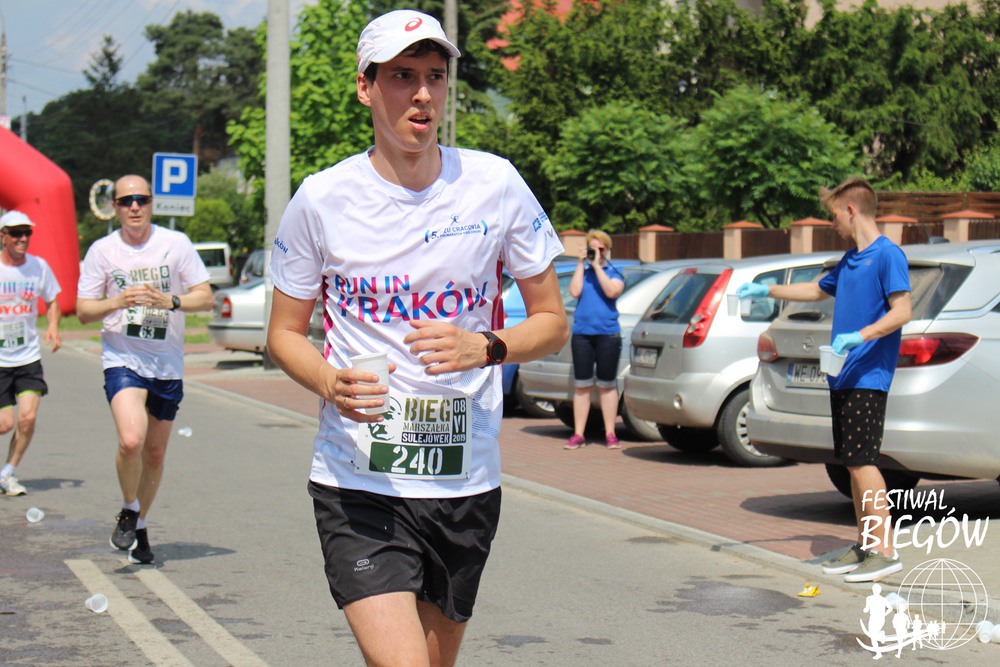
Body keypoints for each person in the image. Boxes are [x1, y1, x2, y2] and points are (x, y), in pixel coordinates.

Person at [265, 10, 568, 666]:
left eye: (435, 75)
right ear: (365, 87)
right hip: (357, 478)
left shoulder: (495, 184)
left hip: (464, 481)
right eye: (403, 76)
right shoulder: (321, 199)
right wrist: (329, 382)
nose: (423, 93)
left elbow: (552, 320)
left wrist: (487, 346)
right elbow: (283, 333)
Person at [737, 176, 911, 583]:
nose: (832, 224)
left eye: (834, 216)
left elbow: (902, 311)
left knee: (864, 462)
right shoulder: (850, 260)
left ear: (851, 210)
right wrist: (767, 291)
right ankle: (866, 545)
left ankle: (886, 550)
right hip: (843, 375)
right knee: (853, 463)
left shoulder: (888, 255)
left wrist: (860, 336)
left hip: (868, 374)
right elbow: (816, 290)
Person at [76, 175, 213, 565]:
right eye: (126, 201)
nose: (134, 207)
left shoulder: (176, 244)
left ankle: (138, 524)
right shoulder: (102, 251)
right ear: (115, 208)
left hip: (166, 363)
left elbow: (205, 298)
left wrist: (170, 301)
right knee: (131, 441)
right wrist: (117, 301)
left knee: (154, 454)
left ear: (152, 203)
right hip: (123, 357)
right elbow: (83, 311)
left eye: (141, 199)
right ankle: (129, 506)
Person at [0, 210, 62, 497]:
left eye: (27, 233)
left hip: (28, 357)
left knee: (27, 419)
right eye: (16, 233)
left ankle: (7, 474)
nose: (23, 238)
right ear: (3, 237)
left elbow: (52, 300)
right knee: (5, 424)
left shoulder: (39, 267)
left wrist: (53, 327)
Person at [564, 229, 625, 450]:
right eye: (593, 249)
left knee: (607, 385)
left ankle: (610, 433)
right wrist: (581, 264)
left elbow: (611, 291)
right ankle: (578, 434)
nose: (596, 252)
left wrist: (598, 266)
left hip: (608, 334)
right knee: (582, 386)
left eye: (601, 249)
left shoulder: (614, 272)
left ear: (607, 251)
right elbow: (574, 291)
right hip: (583, 334)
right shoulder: (584, 271)